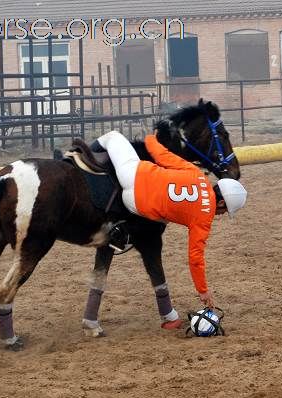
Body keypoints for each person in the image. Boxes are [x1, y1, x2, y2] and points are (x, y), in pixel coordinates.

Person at [95, 129, 247, 329]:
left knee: (112, 136)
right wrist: (203, 291)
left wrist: (151, 138)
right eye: (224, 211)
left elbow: (162, 155)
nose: (220, 215)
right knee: (160, 219)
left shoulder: (196, 173)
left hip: (133, 175)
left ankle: (75, 161)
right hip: (137, 205)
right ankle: (124, 231)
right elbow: (195, 257)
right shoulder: (204, 217)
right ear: (220, 203)